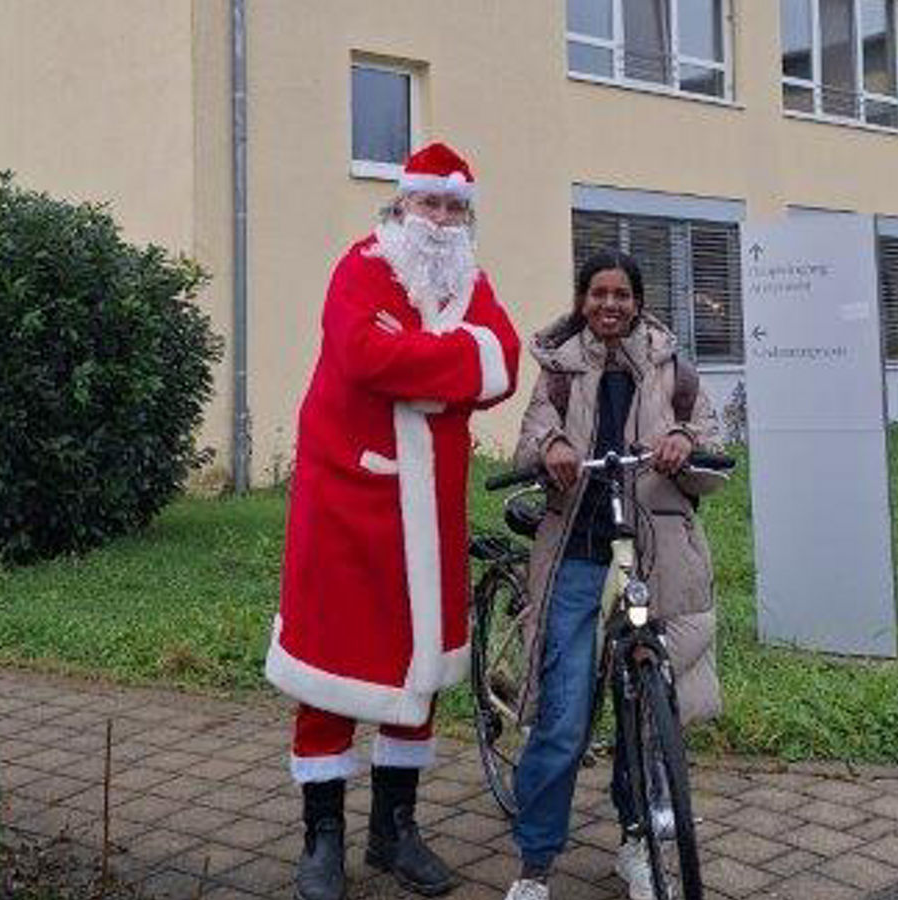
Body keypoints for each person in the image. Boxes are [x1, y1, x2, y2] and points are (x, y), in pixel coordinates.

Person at [265, 142, 521, 900]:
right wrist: (450, 364)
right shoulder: (360, 268)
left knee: (421, 667)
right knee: (331, 666)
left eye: (453, 208)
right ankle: (322, 836)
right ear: (400, 207)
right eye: (428, 204)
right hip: (346, 501)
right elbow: (363, 356)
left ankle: (394, 830)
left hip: (429, 510)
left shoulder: (471, 280)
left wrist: (427, 361)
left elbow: (500, 363)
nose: (439, 220)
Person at [503, 250, 725, 900]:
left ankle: (636, 842)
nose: (609, 305)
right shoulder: (557, 371)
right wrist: (553, 450)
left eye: (621, 294)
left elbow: (711, 461)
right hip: (577, 546)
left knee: (650, 711)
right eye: (597, 293)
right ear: (582, 300)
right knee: (566, 716)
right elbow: (529, 440)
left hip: (657, 552)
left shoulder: (674, 371)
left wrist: (684, 442)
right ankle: (535, 864)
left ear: (638, 300)